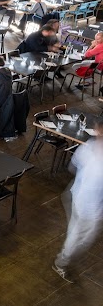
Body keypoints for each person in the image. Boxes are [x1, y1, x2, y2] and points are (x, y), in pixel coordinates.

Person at [53, 119, 103, 283]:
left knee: (83, 236)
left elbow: (73, 166)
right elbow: (73, 166)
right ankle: (61, 262)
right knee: (78, 236)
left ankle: (63, 259)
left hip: (90, 203)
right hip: (83, 202)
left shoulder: (88, 147)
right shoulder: (89, 148)